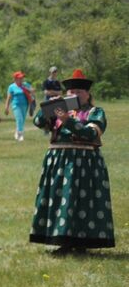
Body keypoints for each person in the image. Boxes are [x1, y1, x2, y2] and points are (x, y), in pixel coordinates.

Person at [30, 69, 114, 252]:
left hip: (85, 163)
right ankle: (63, 240)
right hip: (58, 162)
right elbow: (38, 122)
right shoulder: (59, 110)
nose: (75, 95)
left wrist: (67, 121)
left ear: (87, 94)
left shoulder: (95, 112)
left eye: (79, 92)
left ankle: (82, 242)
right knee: (61, 199)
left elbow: (90, 133)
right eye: (71, 92)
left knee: (81, 201)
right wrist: (48, 108)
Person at [4, 71, 35, 142]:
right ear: (15, 79)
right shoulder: (11, 87)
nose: (21, 79)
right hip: (16, 105)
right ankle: (20, 135)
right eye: (20, 78)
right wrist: (6, 107)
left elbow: (33, 91)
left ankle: (17, 132)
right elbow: (9, 97)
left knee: (22, 120)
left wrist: (28, 89)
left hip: (25, 105)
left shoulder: (25, 85)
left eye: (22, 78)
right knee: (19, 119)